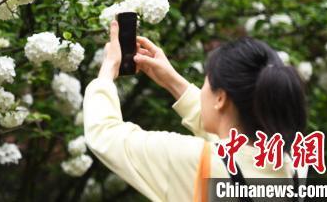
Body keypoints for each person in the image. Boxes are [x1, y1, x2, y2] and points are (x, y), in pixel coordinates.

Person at [83, 19, 309, 202]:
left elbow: (105, 134)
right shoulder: (295, 165)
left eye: (206, 83)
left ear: (220, 98)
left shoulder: (194, 160)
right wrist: (173, 82)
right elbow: (231, 145)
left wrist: (108, 69)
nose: (201, 91)